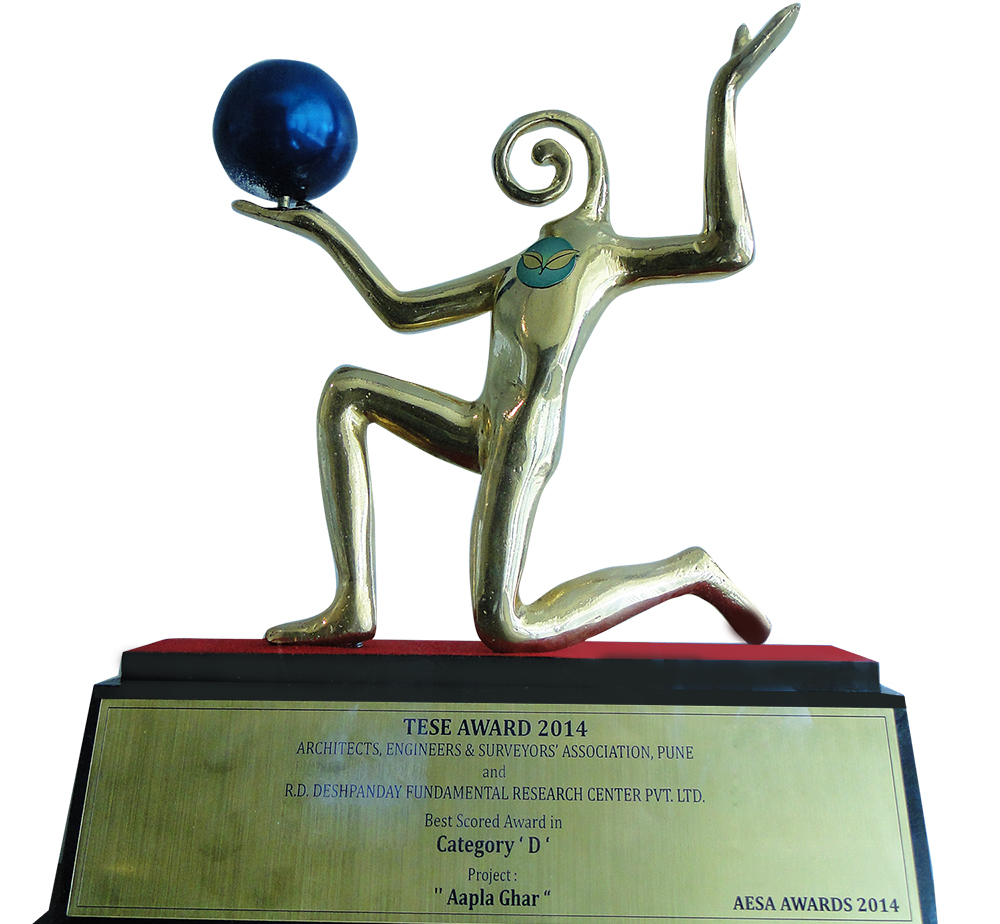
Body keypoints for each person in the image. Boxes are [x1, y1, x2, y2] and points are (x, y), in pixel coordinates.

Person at [235, 6, 798, 651]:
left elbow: (728, 247)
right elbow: (401, 310)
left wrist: (724, 95)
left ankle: (689, 571)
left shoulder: (610, 256)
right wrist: (322, 230)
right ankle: (353, 604)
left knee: (505, 625)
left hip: (525, 437)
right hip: (480, 421)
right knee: (346, 393)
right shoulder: (521, 268)